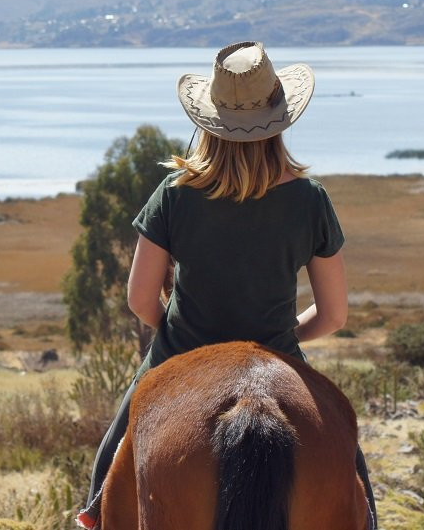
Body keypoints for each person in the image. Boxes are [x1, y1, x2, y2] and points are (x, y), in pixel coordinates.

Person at [76, 41, 376, 529]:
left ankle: (92, 511)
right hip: (277, 351)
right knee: (354, 475)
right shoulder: (311, 199)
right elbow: (334, 314)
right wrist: (281, 336)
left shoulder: (173, 195)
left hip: (178, 351)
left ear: (209, 121)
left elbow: (139, 299)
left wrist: (178, 335)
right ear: (280, 118)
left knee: (114, 456)